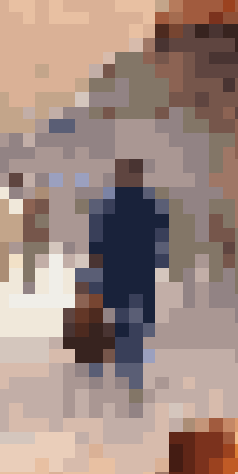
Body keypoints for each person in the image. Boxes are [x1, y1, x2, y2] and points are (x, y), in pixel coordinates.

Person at [87, 159, 170, 395]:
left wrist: (95, 271)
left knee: (122, 319)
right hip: (137, 272)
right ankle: (131, 373)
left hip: (119, 272)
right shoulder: (150, 205)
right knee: (134, 322)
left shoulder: (107, 205)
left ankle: (120, 370)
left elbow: (97, 243)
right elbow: (160, 241)